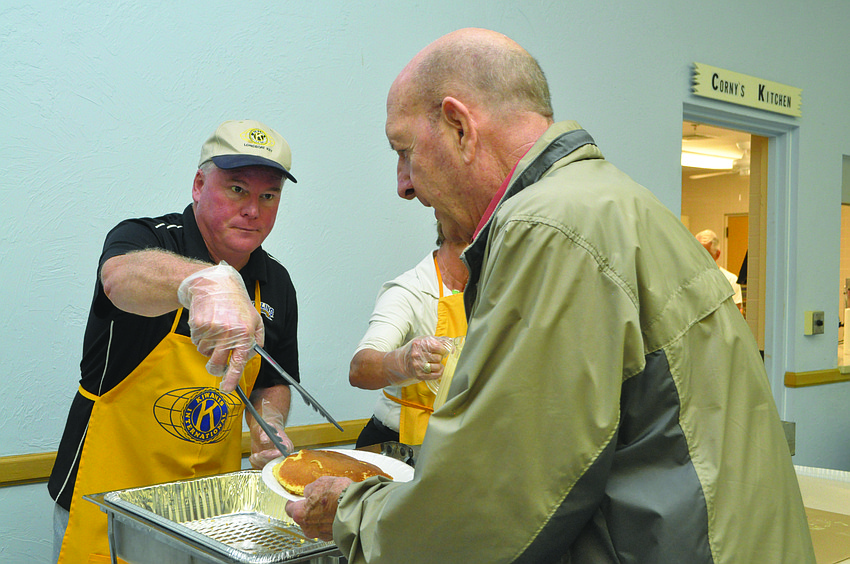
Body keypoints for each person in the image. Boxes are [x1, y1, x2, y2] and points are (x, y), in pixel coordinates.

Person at [286, 29, 815, 563]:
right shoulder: (619, 203)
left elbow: (486, 512)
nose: (403, 184)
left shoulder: (547, 228)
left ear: (459, 126)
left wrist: (354, 513)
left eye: (405, 151)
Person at [49, 119, 300, 563]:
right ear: (199, 184)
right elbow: (119, 279)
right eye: (237, 189)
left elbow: (272, 379)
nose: (253, 209)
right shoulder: (144, 239)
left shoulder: (276, 282)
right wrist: (205, 281)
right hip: (106, 501)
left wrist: (270, 424)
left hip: (209, 516)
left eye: (269, 196)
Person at [350, 220, 468, 448]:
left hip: (457, 445)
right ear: (451, 233)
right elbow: (358, 369)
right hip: (398, 446)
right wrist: (402, 362)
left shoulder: (488, 289)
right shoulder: (408, 292)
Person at [696, 228, 744, 313]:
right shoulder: (687, 278)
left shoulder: (730, 280)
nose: (700, 258)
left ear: (717, 255)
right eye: (696, 253)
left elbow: (735, 315)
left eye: (705, 254)